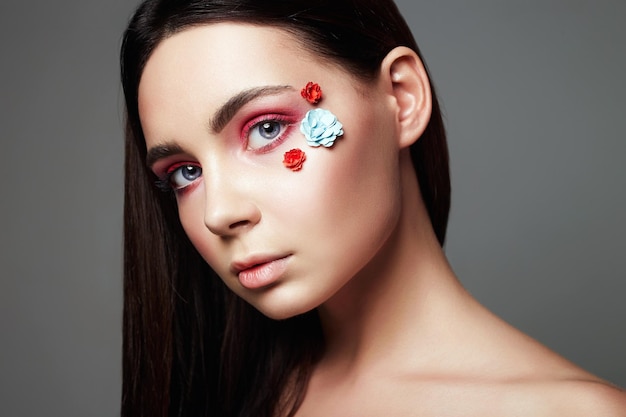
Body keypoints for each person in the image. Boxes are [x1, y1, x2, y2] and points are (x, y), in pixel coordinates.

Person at [120, 1, 626, 416]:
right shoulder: (218, 395)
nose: (218, 212)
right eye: (185, 172)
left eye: (267, 128)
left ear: (401, 99)